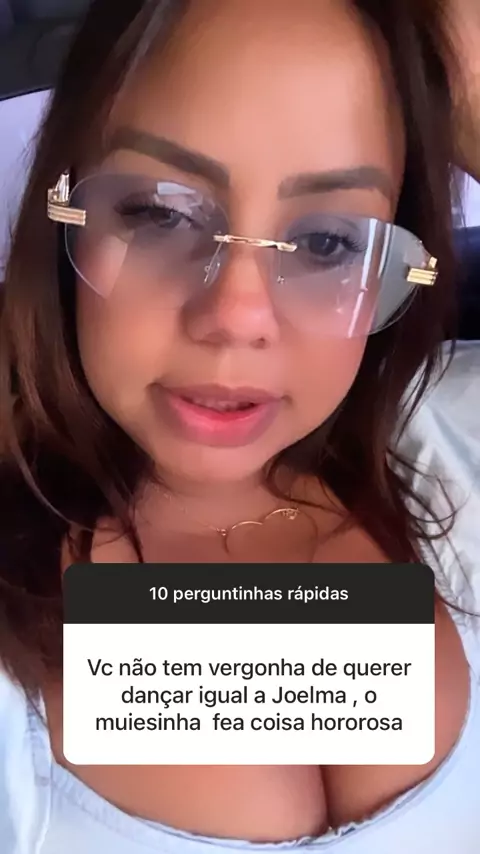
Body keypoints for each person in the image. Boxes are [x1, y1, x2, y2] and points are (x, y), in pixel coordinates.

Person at [0, 0, 479, 851]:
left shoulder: (448, 436)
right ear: (62, 205)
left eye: (327, 241)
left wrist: (461, 78)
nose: (236, 318)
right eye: (159, 213)